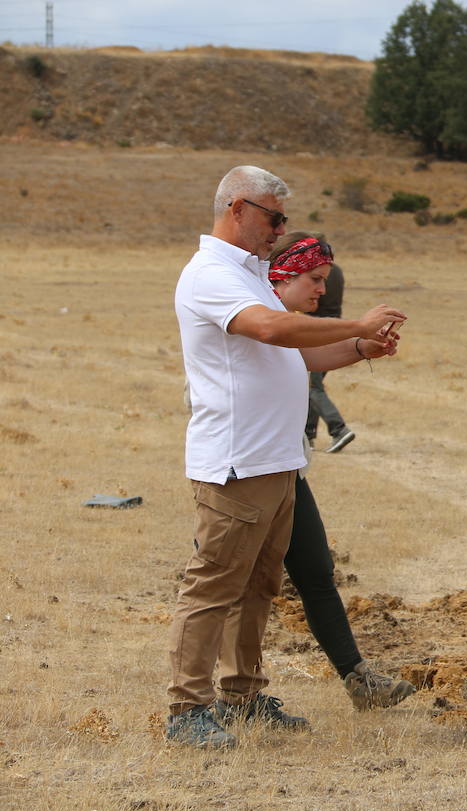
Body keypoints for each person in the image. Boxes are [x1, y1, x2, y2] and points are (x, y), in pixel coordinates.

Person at [167, 165, 406, 750]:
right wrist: (354, 321)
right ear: (239, 208)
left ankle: (243, 697)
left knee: (258, 589)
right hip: (237, 461)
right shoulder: (209, 274)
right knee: (214, 587)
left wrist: (357, 346)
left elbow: (293, 358)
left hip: (276, 464)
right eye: (274, 218)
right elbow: (273, 330)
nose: (280, 230)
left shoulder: (247, 272)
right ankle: (187, 710)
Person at [268, 232, 416, 711]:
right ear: (283, 274)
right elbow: (288, 338)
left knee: (316, 573)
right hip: (242, 474)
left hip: (286, 467)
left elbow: (306, 355)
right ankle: (208, 700)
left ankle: (359, 680)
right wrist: (356, 326)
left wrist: (361, 346)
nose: (322, 292)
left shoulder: (286, 324)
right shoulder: (257, 318)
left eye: (325, 281)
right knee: (228, 588)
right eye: (315, 280)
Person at [306, 263, 354, 453]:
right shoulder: (337, 271)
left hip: (317, 331)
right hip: (334, 328)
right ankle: (307, 435)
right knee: (311, 385)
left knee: (312, 387)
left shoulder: (313, 273)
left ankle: (339, 429)